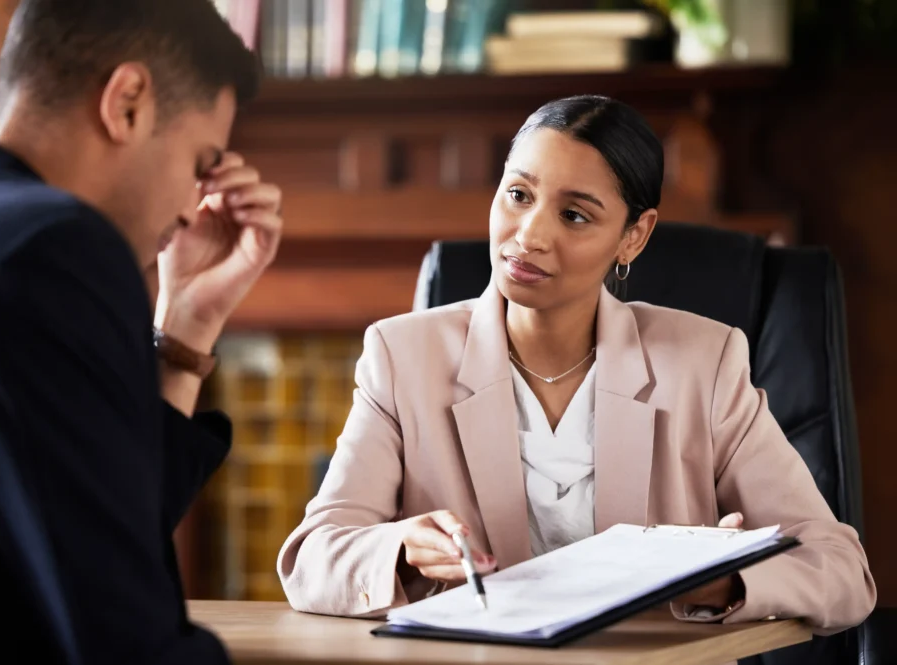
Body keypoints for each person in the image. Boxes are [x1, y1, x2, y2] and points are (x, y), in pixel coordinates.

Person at [278, 96, 876, 634]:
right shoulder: (401, 355)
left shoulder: (704, 363)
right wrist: (399, 548)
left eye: (575, 215)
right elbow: (313, 558)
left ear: (633, 237)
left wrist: (718, 581)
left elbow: (842, 569)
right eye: (518, 195)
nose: (529, 235)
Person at [0, 1, 281, 663]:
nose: (190, 207)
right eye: (201, 162)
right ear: (127, 102)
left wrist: (187, 324)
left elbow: (97, 535)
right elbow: (125, 637)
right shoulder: (49, 246)